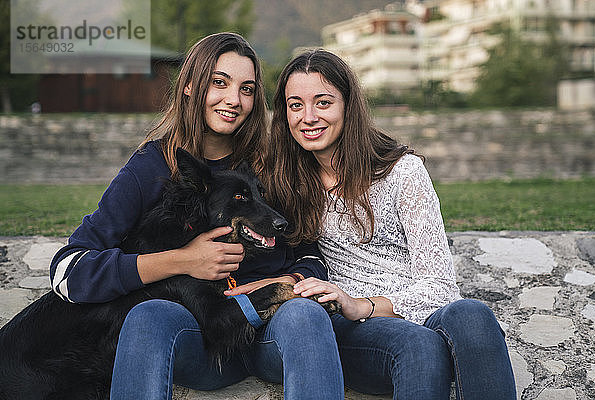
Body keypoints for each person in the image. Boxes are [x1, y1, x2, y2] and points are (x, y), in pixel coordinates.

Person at [49, 34, 344, 400]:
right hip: (200, 341)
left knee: (305, 315)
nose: (234, 100)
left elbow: (314, 256)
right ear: (189, 86)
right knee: (149, 316)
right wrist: (182, 261)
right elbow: (68, 272)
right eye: (219, 83)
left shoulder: (272, 165)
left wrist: (288, 280)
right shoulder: (151, 167)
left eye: (247, 89)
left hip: (273, 335)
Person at [260, 48, 517, 399]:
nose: (308, 117)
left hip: (413, 311)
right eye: (295, 105)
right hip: (354, 330)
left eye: (323, 102)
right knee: (417, 344)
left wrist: (364, 303)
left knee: (472, 314)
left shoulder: (402, 171)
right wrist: (350, 307)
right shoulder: (285, 181)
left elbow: (441, 286)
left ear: (348, 107)